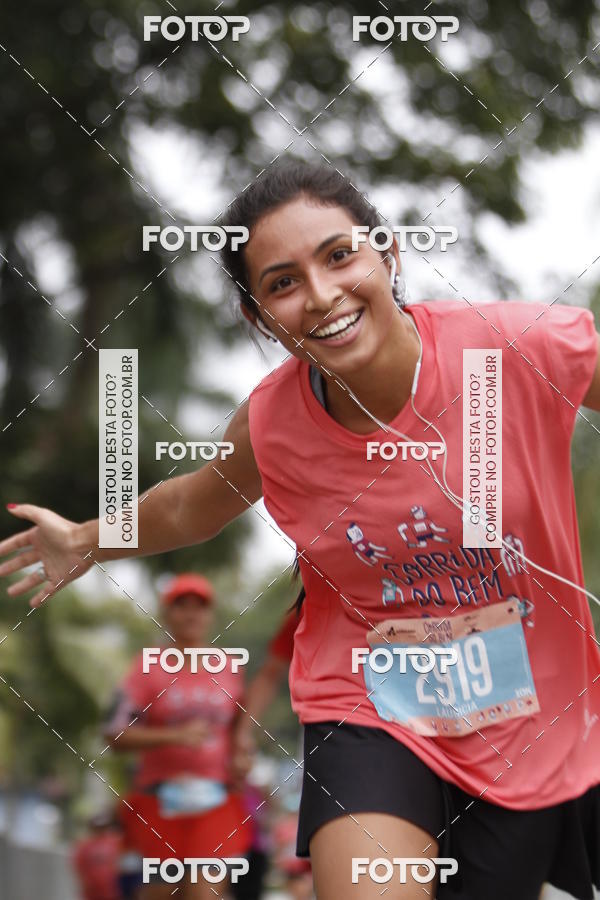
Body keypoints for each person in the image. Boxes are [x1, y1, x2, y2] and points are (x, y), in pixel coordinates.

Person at [1, 159, 600, 900]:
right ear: (259, 316)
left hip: (540, 705)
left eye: (339, 255)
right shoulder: (275, 422)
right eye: (282, 283)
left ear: (388, 253)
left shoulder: (509, 350)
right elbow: (192, 504)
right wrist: (88, 539)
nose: (321, 296)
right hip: (374, 706)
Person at [103, 572, 252, 899]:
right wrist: (173, 736)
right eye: (181, 606)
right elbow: (113, 734)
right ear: (166, 614)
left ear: (210, 615)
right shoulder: (147, 666)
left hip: (217, 797)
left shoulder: (229, 667)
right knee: (162, 891)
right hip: (160, 798)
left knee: (204, 892)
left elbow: (240, 727)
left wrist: (243, 753)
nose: (191, 614)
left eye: (199, 606)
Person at [71, 811, 123, 900]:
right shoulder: (85, 846)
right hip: (93, 892)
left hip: (115, 890)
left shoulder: (117, 842)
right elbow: (79, 865)